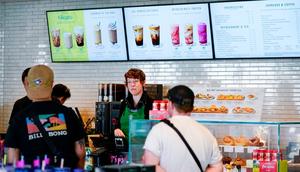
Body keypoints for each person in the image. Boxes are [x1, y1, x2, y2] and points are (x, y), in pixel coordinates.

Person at [5, 65, 86, 169]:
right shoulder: (69, 114)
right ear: (52, 84)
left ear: (28, 84)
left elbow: (12, 159)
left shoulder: (19, 119)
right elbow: (81, 153)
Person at [143, 85, 223, 172]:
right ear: (192, 107)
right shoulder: (206, 133)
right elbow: (217, 167)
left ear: (171, 104)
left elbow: (150, 166)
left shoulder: (158, 130)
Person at [114, 68, 153, 138]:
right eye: (129, 82)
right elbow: (117, 124)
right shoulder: (124, 103)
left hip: (143, 147)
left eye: (135, 81)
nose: (132, 84)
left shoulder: (151, 104)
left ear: (143, 83)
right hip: (124, 146)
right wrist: (116, 129)